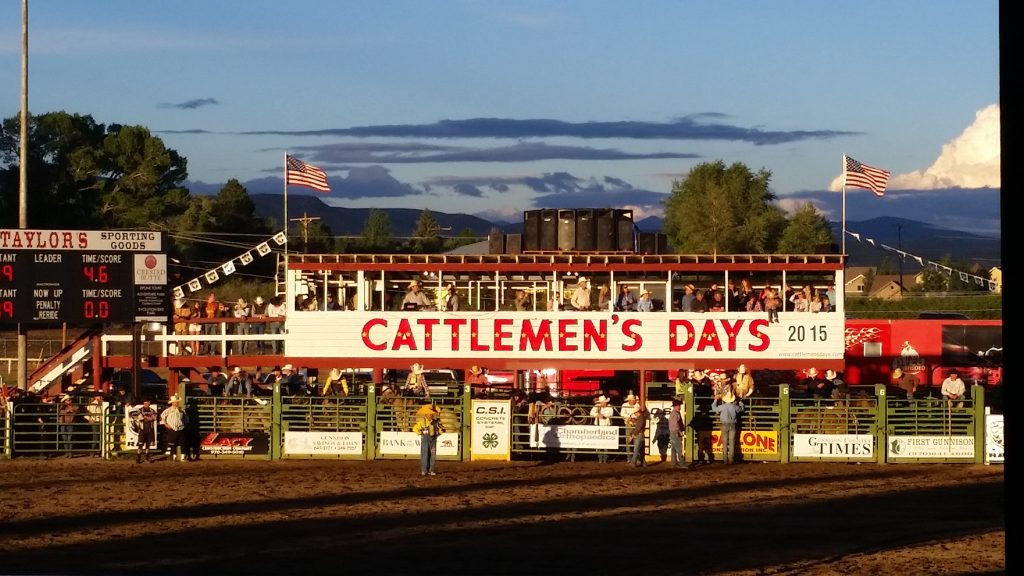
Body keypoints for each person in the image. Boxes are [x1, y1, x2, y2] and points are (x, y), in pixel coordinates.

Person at [710, 389, 744, 465]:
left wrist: (715, 400)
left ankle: (725, 460)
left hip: (724, 424)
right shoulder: (734, 407)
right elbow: (741, 409)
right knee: (732, 442)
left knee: (725, 442)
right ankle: (731, 459)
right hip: (732, 424)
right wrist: (740, 401)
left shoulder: (722, 407)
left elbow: (714, 408)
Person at [412, 402, 445, 476]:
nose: (430, 415)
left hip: (433, 440)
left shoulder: (436, 422)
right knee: (425, 455)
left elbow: (440, 429)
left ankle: (431, 470)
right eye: (429, 414)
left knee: (432, 455)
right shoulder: (422, 422)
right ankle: (424, 470)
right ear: (426, 415)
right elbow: (415, 429)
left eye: (431, 414)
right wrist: (421, 433)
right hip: (425, 440)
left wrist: (440, 431)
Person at [160, 396, 188, 461]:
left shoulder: (182, 410)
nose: (176, 403)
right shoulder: (168, 410)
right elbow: (162, 418)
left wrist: (185, 425)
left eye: (177, 402)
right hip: (172, 429)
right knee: (172, 443)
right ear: (172, 403)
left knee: (182, 443)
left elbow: (186, 419)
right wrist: (166, 425)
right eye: (175, 402)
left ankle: (183, 456)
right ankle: (174, 456)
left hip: (180, 428)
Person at [590, 395, 614, 463]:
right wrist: (597, 415)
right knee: (599, 443)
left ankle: (605, 458)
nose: (604, 403)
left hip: (606, 426)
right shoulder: (597, 406)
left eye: (604, 402)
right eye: (602, 402)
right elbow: (591, 413)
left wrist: (603, 415)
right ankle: (600, 458)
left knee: (606, 443)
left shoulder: (609, 407)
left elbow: (610, 414)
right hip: (598, 426)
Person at [133, 399, 158, 463]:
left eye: (147, 403)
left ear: (149, 403)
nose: (146, 404)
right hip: (142, 430)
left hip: (150, 429)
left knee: (148, 445)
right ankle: (138, 458)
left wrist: (146, 417)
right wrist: (149, 418)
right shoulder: (140, 410)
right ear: (143, 403)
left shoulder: (152, 410)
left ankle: (147, 458)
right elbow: (140, 417)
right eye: (145, 403)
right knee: (140, 444)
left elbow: (154, 418)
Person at [626, 401, 649, 467]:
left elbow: (638, 428)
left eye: (635, 413)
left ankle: (633, 463)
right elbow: (638, 423)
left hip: (639, 435)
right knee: (641, 449)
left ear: (638, 412)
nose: (635, 414)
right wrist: (632, 420)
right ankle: (643, 463)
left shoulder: (640, 418)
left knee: (636, 449)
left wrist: (632, 436)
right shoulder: (641, 417)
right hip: (640, 434)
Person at [668, 399, 686, 469]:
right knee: (679, 449)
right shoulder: (675, 414)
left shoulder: (674, 413)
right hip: (676, 433)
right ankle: (681, 464)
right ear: (676, 406)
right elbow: (676, 424)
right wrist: (680, 432)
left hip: (673, 433)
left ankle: (674, 463)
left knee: (673, 449)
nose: (679, 407)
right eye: (678, 405)